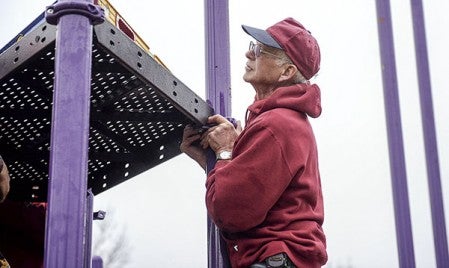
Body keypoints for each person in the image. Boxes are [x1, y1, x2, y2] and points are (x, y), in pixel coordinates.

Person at [180, 17, 327, 268]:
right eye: (253, 45)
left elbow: (230, 212)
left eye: (260, 50)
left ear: (287, 72)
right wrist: (211, 159)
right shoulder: (281, 122)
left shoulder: (276, 125)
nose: (249, 53)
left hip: (273, 257)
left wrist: (225, 152)